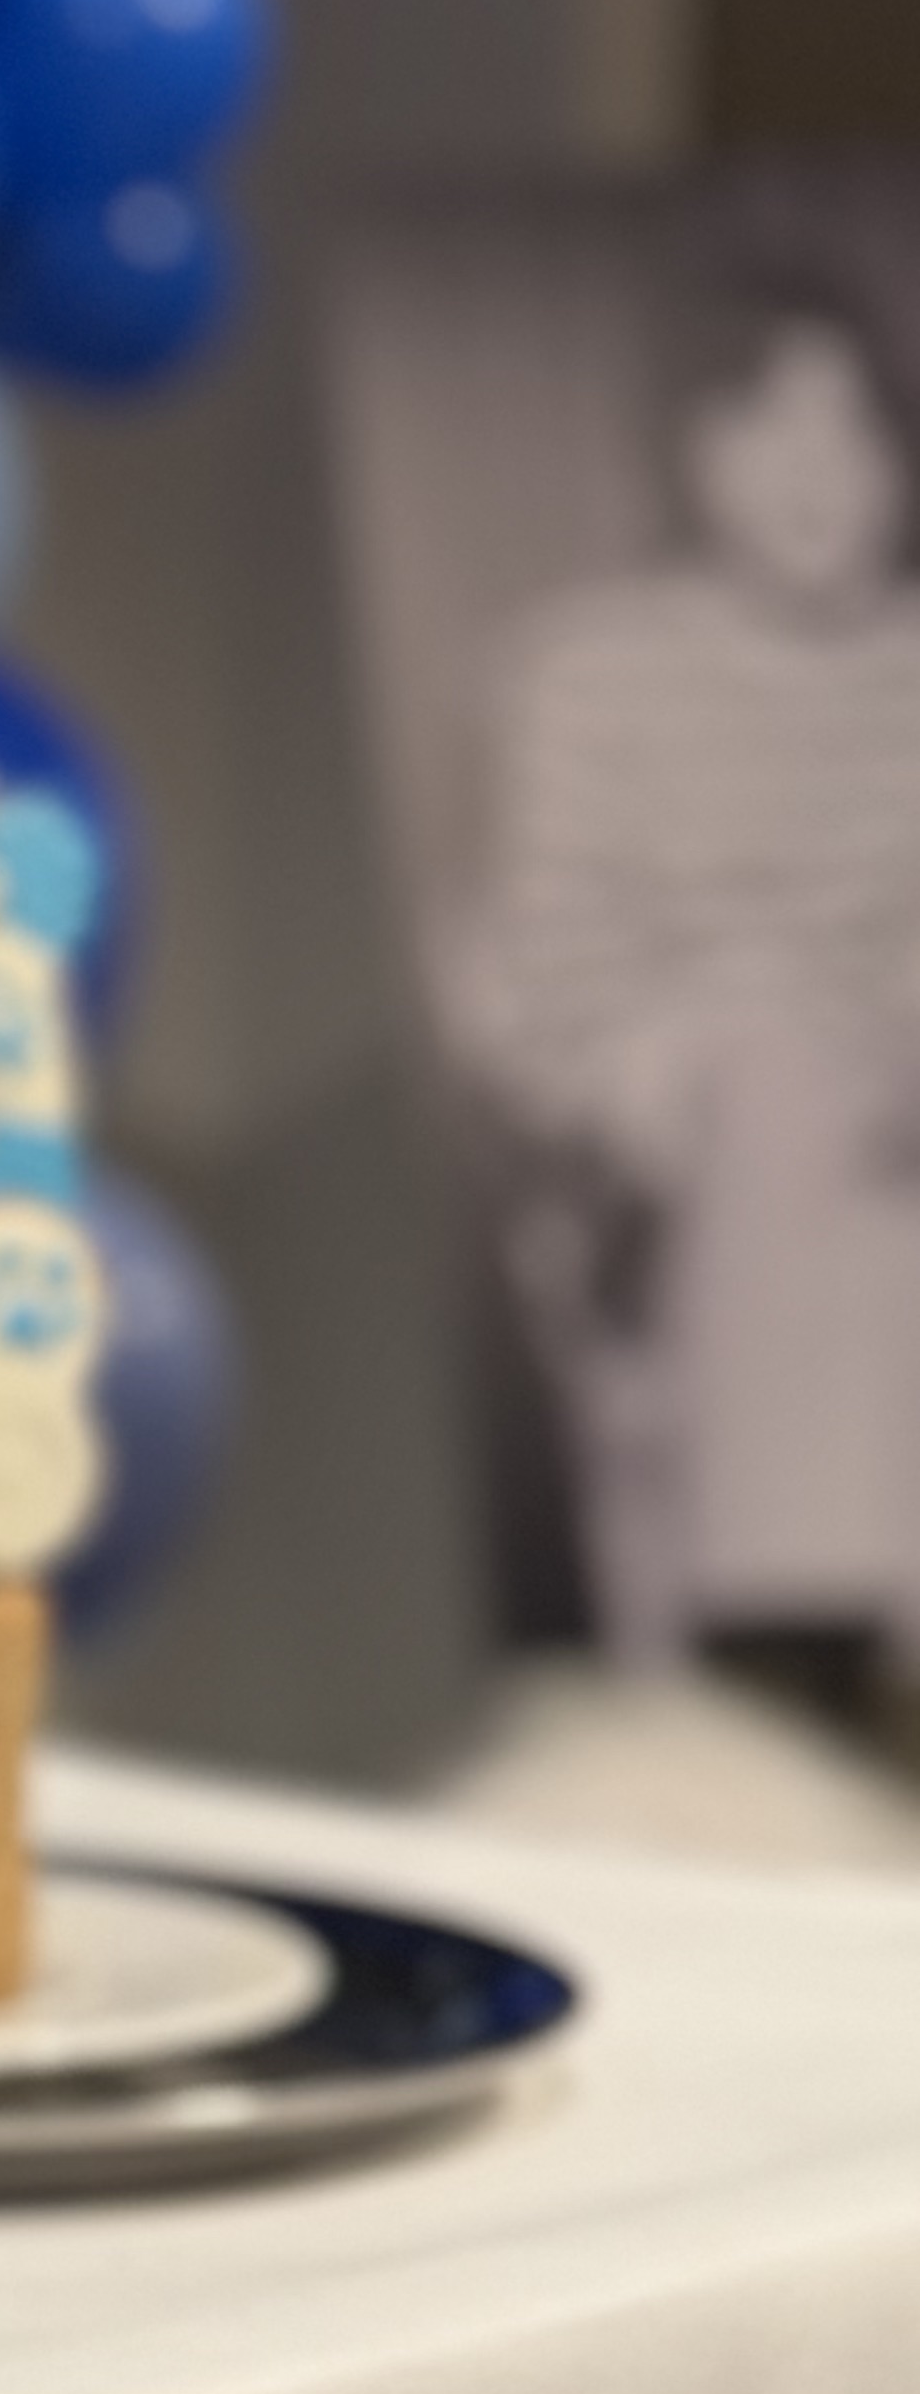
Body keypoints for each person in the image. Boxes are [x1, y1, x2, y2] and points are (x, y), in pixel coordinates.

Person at [470, 289, 920, 1685]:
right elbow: (543, 990)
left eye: (851, 425)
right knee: (777, 1087)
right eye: (762, 421)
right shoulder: (586, 674)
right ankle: (799, 1650)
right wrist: (726, 1030)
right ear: (693, 457)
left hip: (896, 1131)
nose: (810, 467)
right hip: (665, 1175)